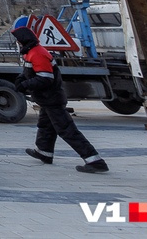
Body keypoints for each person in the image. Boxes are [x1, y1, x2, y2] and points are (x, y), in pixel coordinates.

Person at [13, 26, 109, 173]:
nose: (18, 43)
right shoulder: (31, 52)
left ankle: (94, 160)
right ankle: (44, 152)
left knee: (67, 130)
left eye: (19, 40)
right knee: (45, 126)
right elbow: (28, 72)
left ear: (24, 40)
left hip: (52, 99)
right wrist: (21, 81)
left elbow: (45, 78)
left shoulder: (37, 53)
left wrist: (24, 85)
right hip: (47, 99)